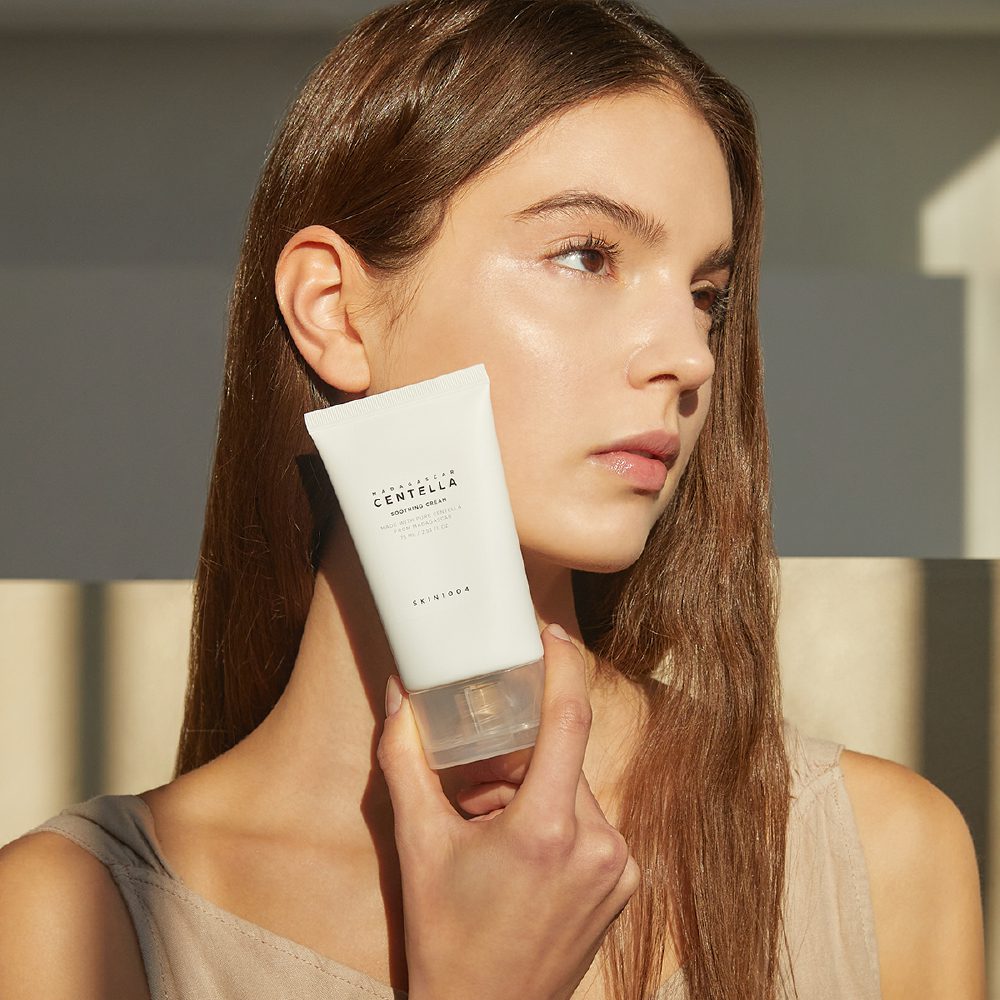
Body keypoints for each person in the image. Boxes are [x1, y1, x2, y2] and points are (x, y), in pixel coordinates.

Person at [0, 1, 986, 997]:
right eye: (585, 255)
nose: (689, 357)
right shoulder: (71, 920)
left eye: (706, 296)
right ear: (335, 312)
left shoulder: (876, 856)